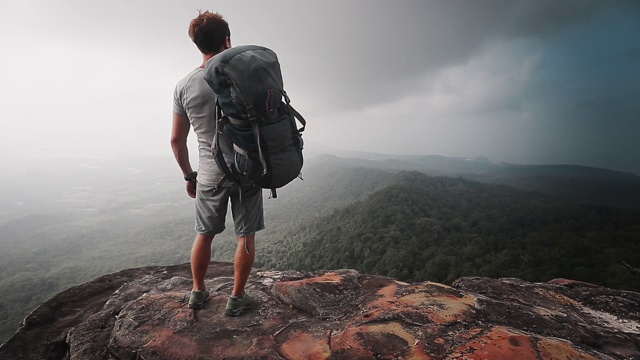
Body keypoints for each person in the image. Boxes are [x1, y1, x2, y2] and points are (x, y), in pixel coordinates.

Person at [171, 11, 264, 316]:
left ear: (198, 44)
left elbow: (176, 140)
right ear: (227, 40)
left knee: (204, 233)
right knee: (245, 234)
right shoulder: (243, 78)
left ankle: (198, 293)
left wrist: (189, 176)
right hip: (246, 169)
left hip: (209, 173)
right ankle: (237, 298)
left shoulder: (184, 85)